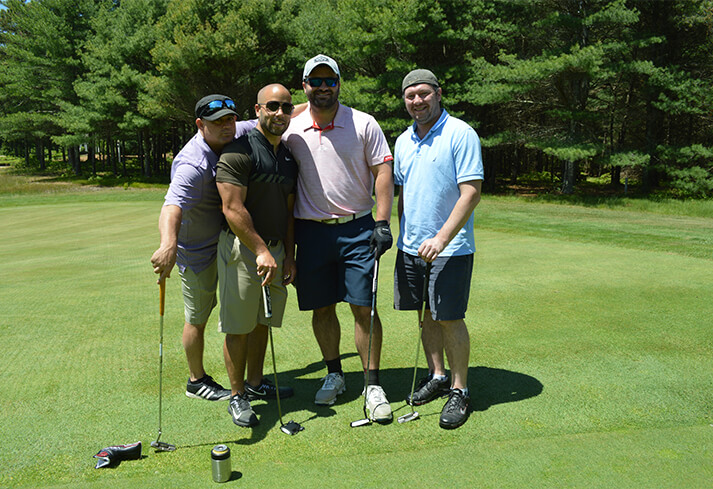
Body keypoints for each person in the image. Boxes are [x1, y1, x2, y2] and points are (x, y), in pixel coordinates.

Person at [282, 54, 395, 423]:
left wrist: (382, 221)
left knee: (364, 307)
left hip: (358, 227)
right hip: (311, 232)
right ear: (305, 87)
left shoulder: (362, 123)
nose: (323, 87)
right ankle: (334, 372)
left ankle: (372, 383)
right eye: (315, 81)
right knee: (322, 307)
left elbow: (383, 171)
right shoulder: (291, 127)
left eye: (330, 80)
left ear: (339, 84)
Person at [150, 95, 273, 403]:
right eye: (217, 122)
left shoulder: (239, 130)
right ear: (199, 124)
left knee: (247, 315)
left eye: (229, 119)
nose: (226, 126)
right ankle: (196, 380)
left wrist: (311, 107)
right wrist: (168, 245)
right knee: (198, 318)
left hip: (230, 244)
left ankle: (252, 380)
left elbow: (276, 114)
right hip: (197, 251)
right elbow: (172, 206)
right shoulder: (192, 163)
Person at [393, 69, 484, 429]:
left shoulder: (460, 133)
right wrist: (403, 236)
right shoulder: (403, 141)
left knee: (448, 317)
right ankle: (438, 374)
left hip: (452, 248)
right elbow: (404, 193)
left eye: (423, 93)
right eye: (410, 95)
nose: (417, 100)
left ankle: (460, 390)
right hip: (411, 247)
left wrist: (442, 237)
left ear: (438, 93)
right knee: (424, 314)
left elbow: (472, 192)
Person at [215, 84, 298, 427]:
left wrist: (288, 255)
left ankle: (255, 382)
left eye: (286, 108)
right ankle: (237, 397)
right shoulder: (238, 151)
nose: (280, 113)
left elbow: (289, 211)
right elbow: (232, 208)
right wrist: (261, 250)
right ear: (259, 109)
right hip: (244, 249)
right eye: (273, 106)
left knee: (263, 320)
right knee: (239, 326)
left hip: (275, 251)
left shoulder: (289, 156)